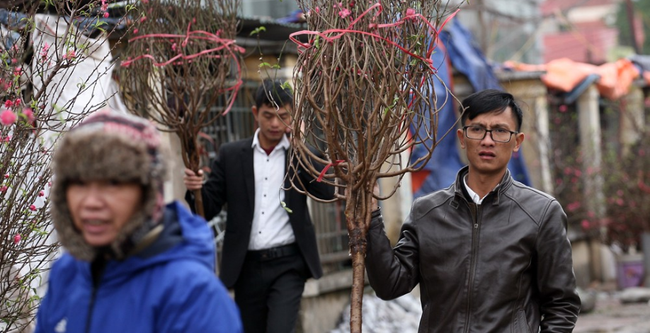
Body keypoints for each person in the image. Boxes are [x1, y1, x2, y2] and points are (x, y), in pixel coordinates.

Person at [365, 89, 581, 332]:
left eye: (500, 131)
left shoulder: (541, 212)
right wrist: (370, 218)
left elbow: (562, 305)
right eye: (477, 129)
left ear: (517, 141)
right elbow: (389, 286)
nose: (487, 140)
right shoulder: (427, 211)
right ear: (462, 137)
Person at [35, 109, 242, 333]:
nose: (91, 202)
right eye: (78, 183)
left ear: (149, 193)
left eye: (113, 183)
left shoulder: (193, 295)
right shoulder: (66, 274)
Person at [184, 79, 334, 333]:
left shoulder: (298, 155)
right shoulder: (231, 155)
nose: (275, 124)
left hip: (289, 264)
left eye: (283, 116)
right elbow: (206, 209)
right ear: (255, 114)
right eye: (268, 116)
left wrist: (301, 146)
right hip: (246, 266)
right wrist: (194, 188)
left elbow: (327, 192)